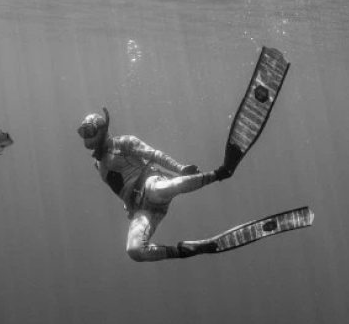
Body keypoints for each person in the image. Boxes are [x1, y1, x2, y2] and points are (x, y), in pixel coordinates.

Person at [78, 108, 237, 261]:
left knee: (158, 190)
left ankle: (221, 173)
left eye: (89, 131)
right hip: (142, 209)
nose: (86, 137)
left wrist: (180, 168)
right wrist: (128, 206)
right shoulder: (98, 166)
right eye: (83, 133)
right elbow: (119, 188)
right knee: (134, 251)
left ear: (102, 129)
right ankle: (186, 251)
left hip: (150, 184)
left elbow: (154, 154)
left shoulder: (123, 143)